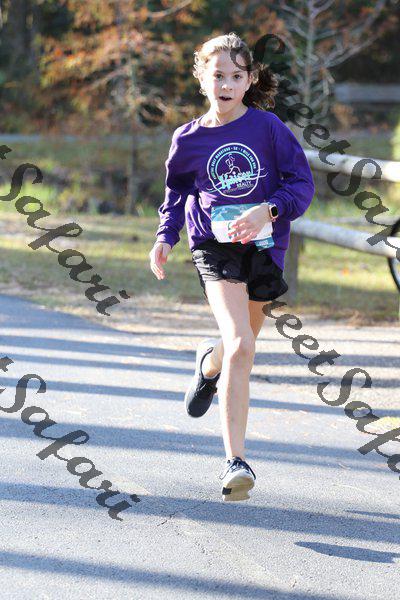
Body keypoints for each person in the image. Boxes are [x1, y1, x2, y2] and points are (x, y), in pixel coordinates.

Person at [149, 32, 315, 502]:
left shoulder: (268, 129)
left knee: (239, 345)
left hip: (264, 247)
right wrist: (165, 237)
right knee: (242, 342)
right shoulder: (189, 138)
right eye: (217, 75)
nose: (225, 85)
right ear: (201, 78)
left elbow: (301, 184)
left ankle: (209, 364)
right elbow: (176, 195)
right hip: (213, 247)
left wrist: (270, 210)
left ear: (249, 80)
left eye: (236, 76)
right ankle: (235, 461)